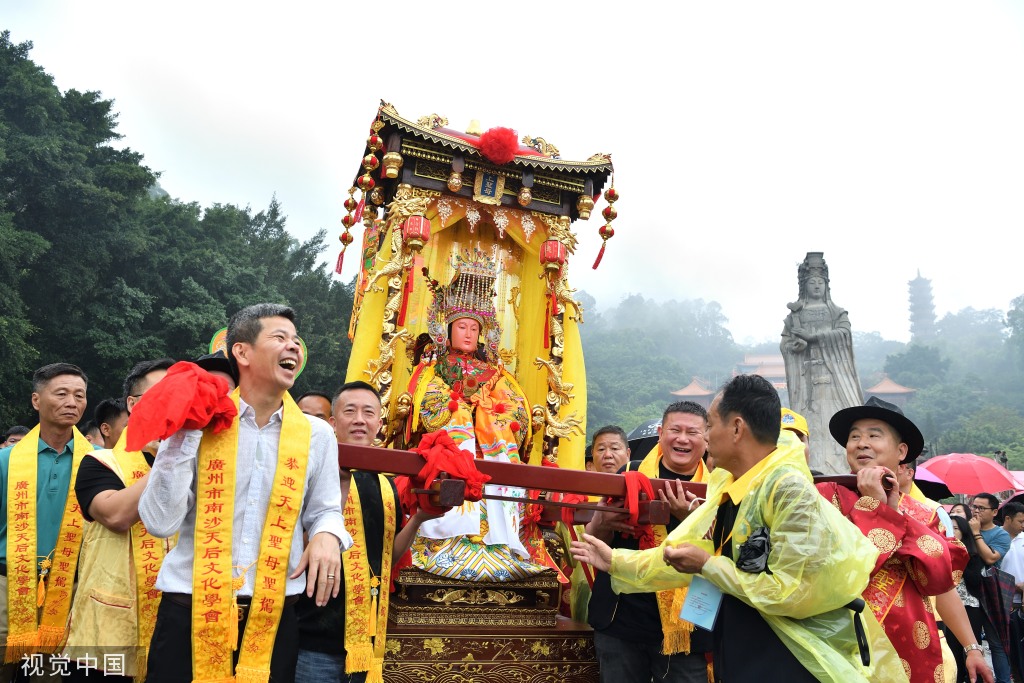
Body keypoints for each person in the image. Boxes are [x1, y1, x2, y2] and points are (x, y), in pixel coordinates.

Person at [572, 375, 898, 682]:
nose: (705, 436)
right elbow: (687, 555)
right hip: (745, 648)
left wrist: (708, 566)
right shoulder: (733, 485)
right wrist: (614, 560)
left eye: (710, 425)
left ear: (737, 428)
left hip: (787, 656)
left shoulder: (788, 490)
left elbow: (790, 591)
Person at [139, 303, 352, 683]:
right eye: (279, 338)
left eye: (296, 341)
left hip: (271, 615)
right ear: (241, 351)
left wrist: (326, 534)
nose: (293, 348)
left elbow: (325, 509)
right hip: (189, 609)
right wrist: (184, 433)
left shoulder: (316, 435)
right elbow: (158, 522)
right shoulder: (201, 423)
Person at [818, 396, 991, 683]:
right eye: (854, 436)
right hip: (844, 646)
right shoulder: (824, 498)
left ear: (901, 451)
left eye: (874, 435)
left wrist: (972, 648)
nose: (862, 443)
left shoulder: (923, 514)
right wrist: (874, 509)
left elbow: (942, 587)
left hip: (913, 650)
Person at [405, 249, 539, 582]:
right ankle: (443, 540)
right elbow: (424, 402)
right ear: (446, 329)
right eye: (461, 326)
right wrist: (460, 409)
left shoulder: (496, 374)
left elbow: (516, 412)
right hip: (452, 443)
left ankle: (499, 543)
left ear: (483, 334)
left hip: (492, 447)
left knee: (502, 471)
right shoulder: (431, 369)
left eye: (474, 329)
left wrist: (490, 411)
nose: (468, 333)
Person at [296, 381, 440, 683]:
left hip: (368, 639)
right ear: (333, 422)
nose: (359, 419)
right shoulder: (308, 472)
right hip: (313, 637)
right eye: (350, 411)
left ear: (379, 423)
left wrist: (419, 518)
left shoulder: (386, 484)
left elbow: (389, 554)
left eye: (368, 412)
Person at [584, 402, 713, 683]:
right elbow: (593, 537)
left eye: (692, 432)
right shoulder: (629, 474)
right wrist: (602, 523)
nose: (682, 439)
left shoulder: (718, 486)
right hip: (622, 619)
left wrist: (689, 518)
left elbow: (727, 551)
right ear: (660, 432)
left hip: (689, 626)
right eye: (674, 430)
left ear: (707, 438)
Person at [66, 357, 174, 682]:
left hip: (171, 624)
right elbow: (116, 515)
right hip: (106, 630)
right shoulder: (100, 462)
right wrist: (167, 462)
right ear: (132, 403)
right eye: (160, 394)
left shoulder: (197, 463)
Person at [0, 363, 94, 681]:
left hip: (68, 586)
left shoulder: (98, 462)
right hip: (5, 583)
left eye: (79, 395)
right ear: (36, 400)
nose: (72, 402)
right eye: (62, 393)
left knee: (48, 676)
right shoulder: (5, 460)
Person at [780, 252, 863, 474]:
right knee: (810, 423)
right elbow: (786, 344)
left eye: (820, 282)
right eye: (811, 282)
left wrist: (813, 338)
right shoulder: (793, 317)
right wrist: (795, 347)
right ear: (803, 286)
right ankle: (812, 467)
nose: (816, 286)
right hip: (807, 381)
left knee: (836, 422)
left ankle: (841, 468)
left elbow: (844, 334)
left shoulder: (836, 312)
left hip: (834, 380)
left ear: (827, 285)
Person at [944, 515, 987, 683]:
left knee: (972, 647)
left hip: (970, 606)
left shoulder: (973, 555)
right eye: (949, 527)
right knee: (952, 648)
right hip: (948, 608)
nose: (951, 531)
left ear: (963, 532)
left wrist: (961, 558)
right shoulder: (940, 552)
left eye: (955, 528)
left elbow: (975, 581)